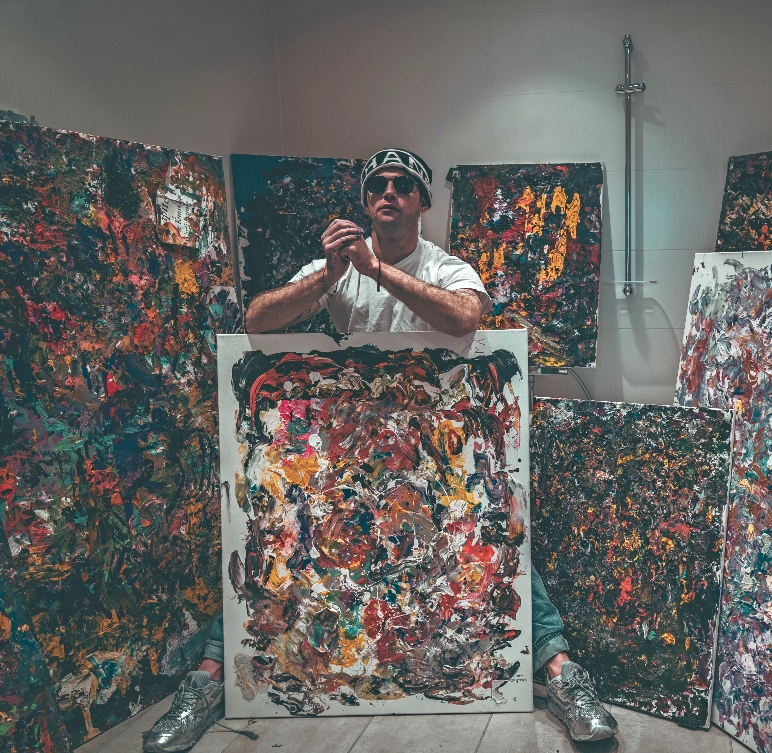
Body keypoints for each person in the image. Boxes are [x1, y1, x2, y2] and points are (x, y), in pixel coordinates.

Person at [143, 148, 617, 752]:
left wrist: (377, 271)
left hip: (440, 457)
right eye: (377, 186)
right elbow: (257, 320)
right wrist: (329, 275)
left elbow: (466, 318)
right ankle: (208, 681)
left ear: (422, 201)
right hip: (348, 455)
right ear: (366, 202)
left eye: (402, 185)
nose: (388, 193)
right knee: (273, 547)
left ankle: (562, 674)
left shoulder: (443, 266)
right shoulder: (337, 265)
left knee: (496, 542)